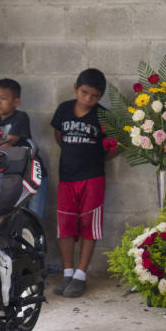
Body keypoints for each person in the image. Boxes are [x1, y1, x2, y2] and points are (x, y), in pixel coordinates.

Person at [50, 68, 118, 298]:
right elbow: (58, 136)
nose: (88, 99)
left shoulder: (103, 116)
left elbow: (113, 148)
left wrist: (95, 159)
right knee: (65, 226)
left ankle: (80, 275)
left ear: (100, 97)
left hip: (93, 177)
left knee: (90, 225)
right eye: (84, 92)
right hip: (67, 177)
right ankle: (67, 271)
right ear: (76, 89)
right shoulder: (63, 110)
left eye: (94, 96)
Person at [0, 78, 48, 223]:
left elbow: (8, 143)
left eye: (3, 98)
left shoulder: (20, 117)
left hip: (32, 173)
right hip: (10, 176)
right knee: (13, 217)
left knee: (34, 216)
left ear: (16, 102)